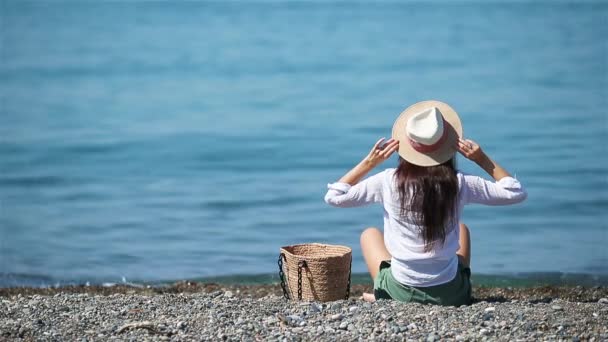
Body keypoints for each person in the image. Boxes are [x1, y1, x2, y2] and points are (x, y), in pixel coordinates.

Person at [324, 100, 527, 306]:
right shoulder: (458, 182)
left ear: (406, 144)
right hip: (452, 294)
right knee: (462, 229)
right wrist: (481, 159)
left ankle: (382, 294)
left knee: (369, 235)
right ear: (448, 145)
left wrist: (369, 163)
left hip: (398, 292)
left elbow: (334, 197)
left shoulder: (387, 181)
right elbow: (515, 192)